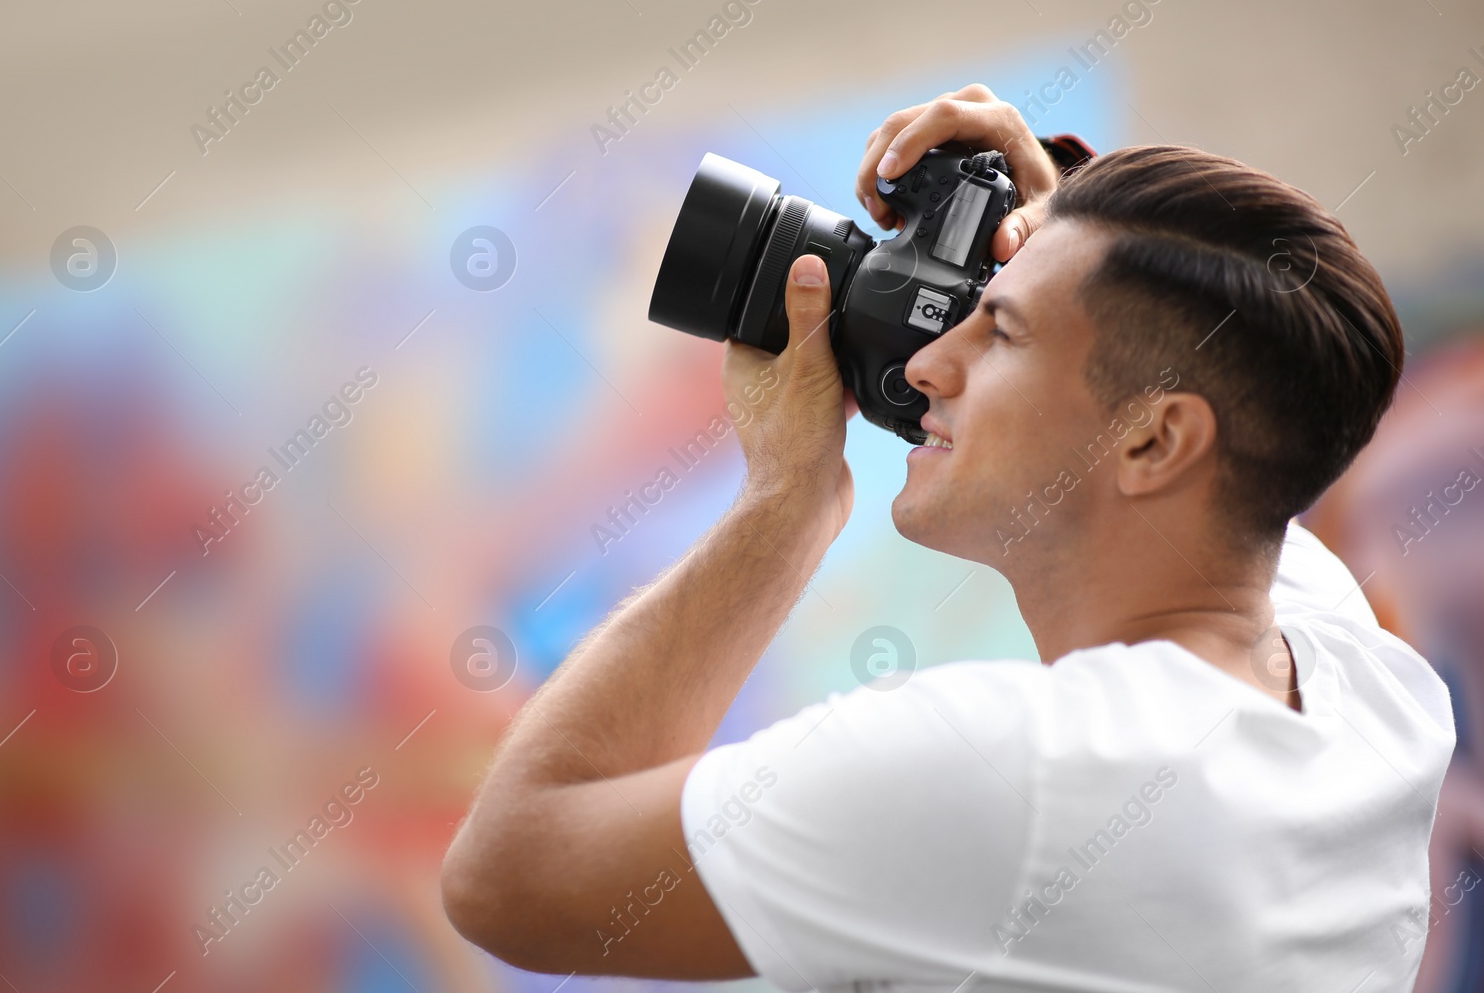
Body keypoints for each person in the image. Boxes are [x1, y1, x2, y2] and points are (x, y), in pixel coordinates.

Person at [438, 84, 1457, 991]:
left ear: (1152, 437)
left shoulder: (1012, 770)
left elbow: (508, 875)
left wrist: (786, 501)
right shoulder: (1367, 691)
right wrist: (1065, 203)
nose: (928, 362)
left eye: (997, 330)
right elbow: (1259, 384)